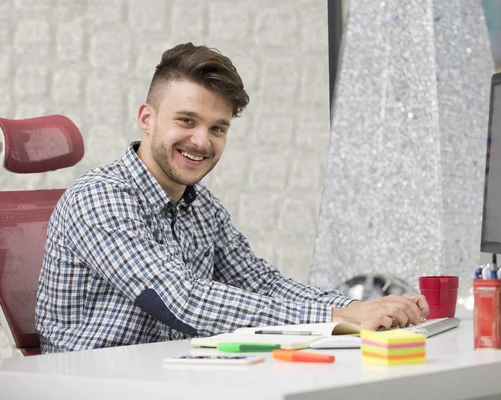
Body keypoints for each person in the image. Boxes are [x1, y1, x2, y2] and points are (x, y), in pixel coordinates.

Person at [35, 43, 430, 353]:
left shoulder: (201, 206)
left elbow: (263, 284)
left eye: (217, 128)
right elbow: (181, 299)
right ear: (147, 118)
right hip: (91, 383)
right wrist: (336, 315)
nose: (202, 141)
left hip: (168, 374)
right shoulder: (98, 197)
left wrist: (362, 309)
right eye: (186, 121)